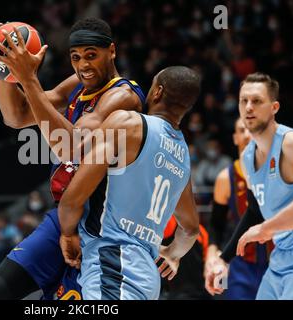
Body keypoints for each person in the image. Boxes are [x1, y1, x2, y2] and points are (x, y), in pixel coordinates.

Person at [0, 18, 145, 300]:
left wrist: (29, 79)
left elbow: (71, 146)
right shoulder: (78, 84)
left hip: (98, 223)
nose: (83, 66)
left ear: (112, 51)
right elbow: (16, 116)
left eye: (92, 56)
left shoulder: (123, 96)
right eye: (76, 57)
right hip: (63, 215)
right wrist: (7, 70)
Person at [58, 66, 201, 299]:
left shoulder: (128, 123)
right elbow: (190, 229)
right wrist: (172, 254)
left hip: (113, 266)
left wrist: (66, 233)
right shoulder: (183, 154)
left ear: (157, 92)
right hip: (148, 280)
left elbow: (72, 199)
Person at [205, 72, 293, 300]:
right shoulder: (247, 158)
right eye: (243, 101)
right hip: (280, 261)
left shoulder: (291, 144)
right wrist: (223, 259)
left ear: (274, 107)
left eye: (256, 101)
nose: (248, 107)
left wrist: (267, 229)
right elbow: (255, 210)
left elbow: (262, 225)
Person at [204, 117, 272, 299]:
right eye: (242, 130)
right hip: (238, 264)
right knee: (219, 290)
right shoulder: (225, 178)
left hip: (276, 263)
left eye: (251, 129)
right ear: (235, 138)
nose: (247, 135)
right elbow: (216, 226)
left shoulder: (276, 171)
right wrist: (212, 256)